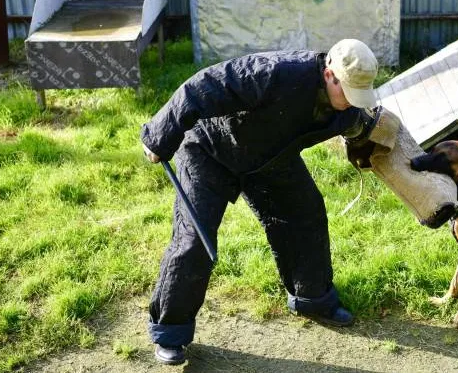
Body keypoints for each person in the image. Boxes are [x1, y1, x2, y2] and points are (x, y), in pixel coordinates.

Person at [141, 39, 379, 365]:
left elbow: (363, 125)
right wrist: (159, 135)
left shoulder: (347, 108)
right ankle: (170, 332)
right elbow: (200, 87)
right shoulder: (277, 73)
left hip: (269, 159)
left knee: (305, 215)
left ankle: (313, 298)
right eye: (348, 92)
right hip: (210, 150)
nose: (351, 102)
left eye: (359, 95)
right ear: (329, 74)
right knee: (194, 241)